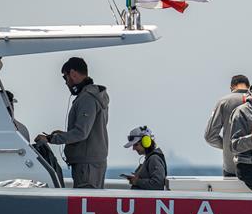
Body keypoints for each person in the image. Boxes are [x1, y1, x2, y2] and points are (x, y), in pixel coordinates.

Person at [35, 57, 110, 189]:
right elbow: (90, 131)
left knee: (87, 203)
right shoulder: (94, 97)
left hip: (87, 167)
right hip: (91, 164)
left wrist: (50, 138)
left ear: (73, 74)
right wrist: (65, 134)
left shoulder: (87, 99)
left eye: (65, 77)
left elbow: (81, 133)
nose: (66, 82)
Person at [204, 74, 251, 177]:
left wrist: (228, 147)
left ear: (231, 87)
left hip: (232, 167)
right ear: (248, 86)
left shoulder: (224, 102)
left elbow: (209, 136)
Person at [124, 126, 167, 190]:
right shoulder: (150, 158)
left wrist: (137, 182)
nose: (133, 149)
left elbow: (158, 184)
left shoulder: (154, 159)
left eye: (136, 145)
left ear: (146, 142)